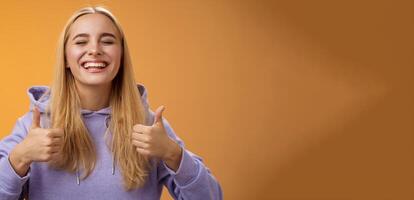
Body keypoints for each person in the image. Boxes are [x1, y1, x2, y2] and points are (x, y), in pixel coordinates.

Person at [0, 6, 222, 200]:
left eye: (107, 41)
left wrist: (174, 154)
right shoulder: (32, 128)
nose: (95, 49)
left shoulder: (148, 127)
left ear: (122, 56)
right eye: (81, 41)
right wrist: (20, 158)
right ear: (66, 58)